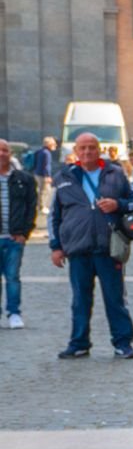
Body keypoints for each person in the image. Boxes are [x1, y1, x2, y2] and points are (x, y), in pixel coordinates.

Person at [48, 133, 133, 360]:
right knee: (80, 300)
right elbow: (55, 216)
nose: (87, 152)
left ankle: (123, 343)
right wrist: (56, 247)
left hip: (109, 248)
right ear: (76, 152)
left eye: (92, 147)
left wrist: (117, 204)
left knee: (115, 299)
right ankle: (79, 343)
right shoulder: (64, 178)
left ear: (99, 150)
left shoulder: (115, 174)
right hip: (78, 249)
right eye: (83, 148)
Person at [0, 139, 39, 329]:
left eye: (4, 150)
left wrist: (25, 233)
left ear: (10, 154)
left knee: (13, 277)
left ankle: (14, 313)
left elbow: (31, 208)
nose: (1, 154)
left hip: (14, 237)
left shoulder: (23, 179)